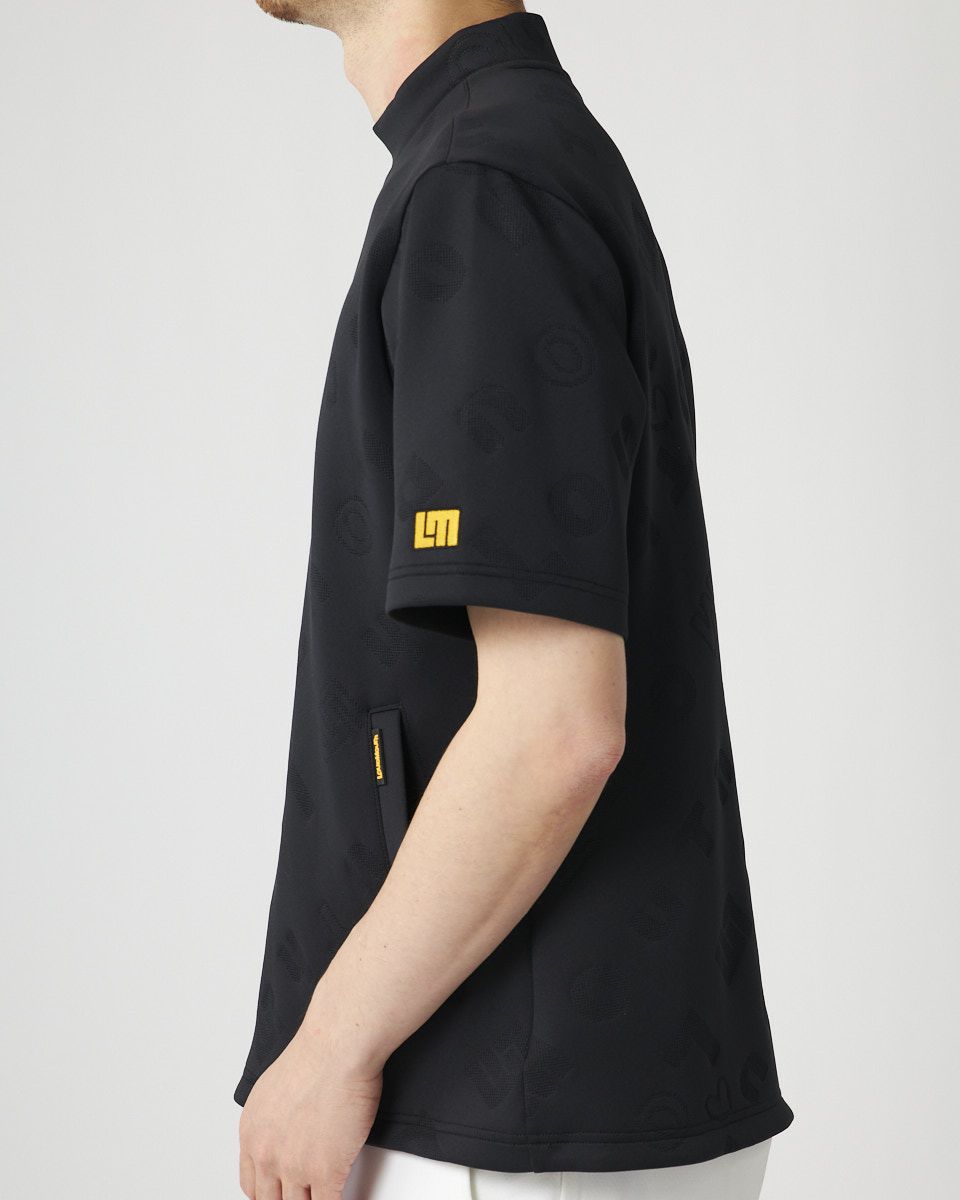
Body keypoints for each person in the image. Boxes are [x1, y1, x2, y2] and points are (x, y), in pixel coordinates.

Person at [233, 3, 795, 1198]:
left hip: (499, 1109)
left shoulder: (481, 184)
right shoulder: (497, 158)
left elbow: (555, 729)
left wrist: (327, 1048)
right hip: (529, 1092)